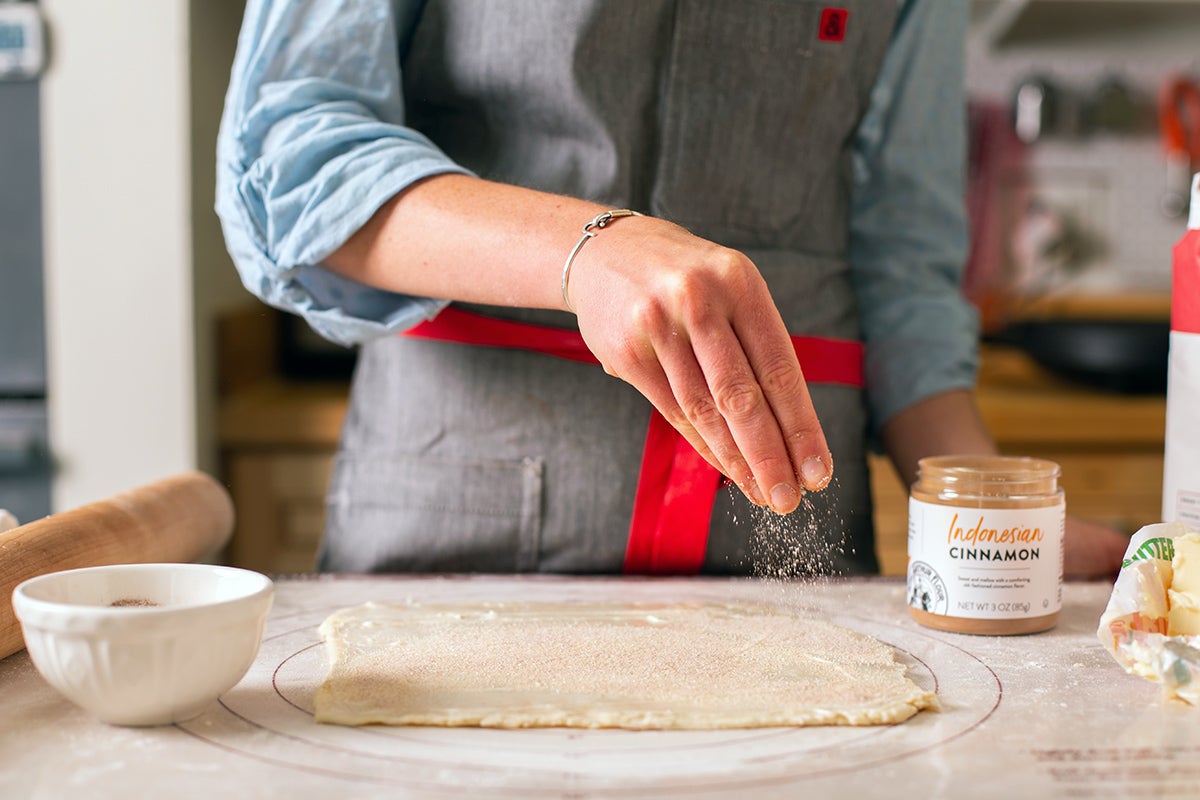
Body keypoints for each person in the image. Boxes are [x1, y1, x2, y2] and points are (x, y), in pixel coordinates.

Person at [216, 0, 1127, 578]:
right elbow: (286, 164)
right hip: (454, 519)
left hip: (782, 557)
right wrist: (586, 253)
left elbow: (903, 255)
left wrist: (980, 508)